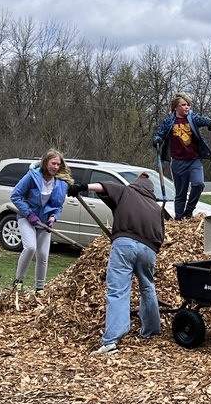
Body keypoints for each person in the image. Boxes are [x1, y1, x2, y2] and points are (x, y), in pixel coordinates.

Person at [68, 173, 165, 354]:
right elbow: (161, 236)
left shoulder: (127, 191)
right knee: (147, 287)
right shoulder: (156, 207)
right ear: (151, 190)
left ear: (137, 185)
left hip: (125, 245)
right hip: (149, 250)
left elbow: (105, 187)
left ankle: (111, 339)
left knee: (118, 290)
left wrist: (82, 187)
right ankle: (151, 330)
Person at [152, 93, 211, 220]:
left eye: (188, 105)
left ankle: (189, 210)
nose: (187, 107)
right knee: (180, 194)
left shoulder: (192, 118)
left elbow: (204, 120)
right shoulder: (169, 121)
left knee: (198, 184)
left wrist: (210, 123)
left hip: (194, 160)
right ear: (176, 107)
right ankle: (179, 219)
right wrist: (157, 140)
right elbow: (160, 133)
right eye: (184, 105)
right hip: (178, 162)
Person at [10, 149, 72, 297]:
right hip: (27, 218)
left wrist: (53, 218)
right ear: (45, 162)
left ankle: (40, 288)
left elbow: (58, 206)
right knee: (30, 248)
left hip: (44, 222)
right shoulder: (32, 177)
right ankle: (18, 281)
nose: (56, 167)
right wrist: (29, 213)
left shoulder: (61, 184)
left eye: (58, 164)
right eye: (53, 163)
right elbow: (15, 196)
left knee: (43, 255)